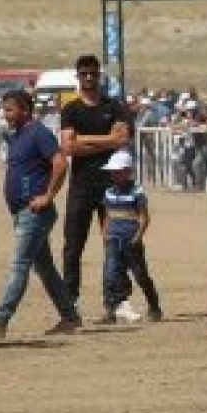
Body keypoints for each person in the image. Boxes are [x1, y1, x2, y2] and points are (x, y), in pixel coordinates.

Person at [0, 90, 81, 339]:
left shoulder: (39, 133)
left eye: (9, 109)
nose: (5, 114)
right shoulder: (18, 136)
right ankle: (70, 317)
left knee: (19, 264)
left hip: (34, 212)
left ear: (25, 110)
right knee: (46, 269)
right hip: (22, 212)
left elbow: (60, 163)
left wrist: (48, 196)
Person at [58, 54, 133, 306]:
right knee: (73, 244)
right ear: (77, 76)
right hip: (81, 183)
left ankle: (116, 299)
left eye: (93, 73)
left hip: (112, 184)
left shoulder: (114, 107)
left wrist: (84, 140)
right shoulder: (71, 109)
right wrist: (107, 141)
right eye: (84, 73)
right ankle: (70, 301)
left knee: (115, 241)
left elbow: (122, 138)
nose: (89, 78)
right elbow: (68, 147)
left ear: (99, 75)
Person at [97, 149, 163, 324]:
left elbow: (144, 217)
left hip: (131, 241)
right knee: (111, 274)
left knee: (140, 275)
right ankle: (111, 310)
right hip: (113, 239)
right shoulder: (109, 192)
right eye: (112, 172)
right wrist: (105, 234)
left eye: (118, 172)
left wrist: (138, 236)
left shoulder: (137, 192)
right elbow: (107, 215)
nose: (114, 175)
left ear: (128, 172)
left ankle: (154, 305)